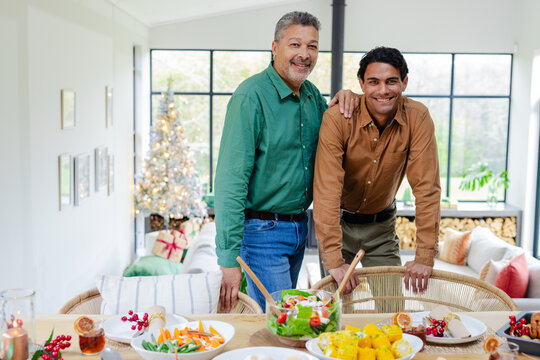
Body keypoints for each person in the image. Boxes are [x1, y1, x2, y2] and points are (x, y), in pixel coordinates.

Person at [214, 11, 359, 312]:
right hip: (261, 232)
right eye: (295, 44)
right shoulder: (250, 96)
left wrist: (347, 97)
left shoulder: (311, 97)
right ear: (275, 47)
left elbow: (333, 140)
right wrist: (228, 260)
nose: (304, 55)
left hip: (299, 230)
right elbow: (230, 183)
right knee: (286, 322)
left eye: (313, 46)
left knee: (279, 321)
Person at [313, 47, 441, 299]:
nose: (383, 90)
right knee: (334, 311)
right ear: (361, 84)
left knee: (392, 308)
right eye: (374, 82)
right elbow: (327, 190)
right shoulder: (337, 119)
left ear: (404, 82)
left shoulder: (418, 117)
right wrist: (332, 257)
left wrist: (425, 256)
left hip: (382, 229)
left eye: (391, 81)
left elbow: (426, 189)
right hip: (338, 226)